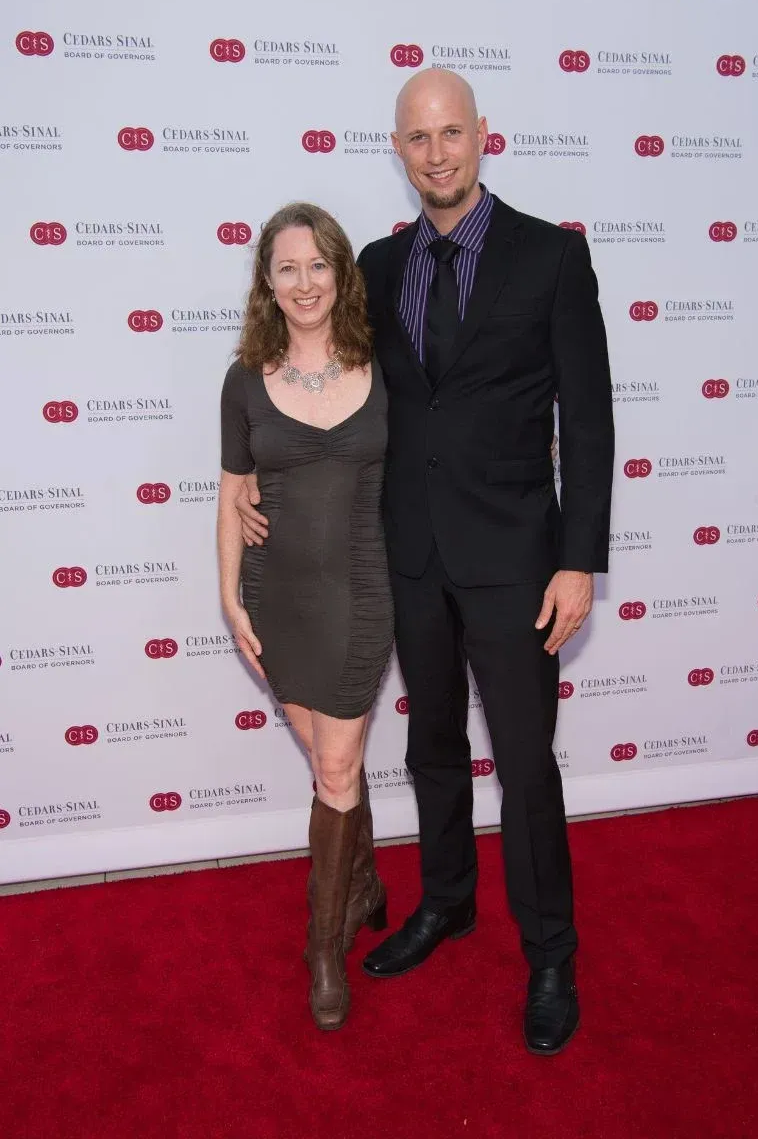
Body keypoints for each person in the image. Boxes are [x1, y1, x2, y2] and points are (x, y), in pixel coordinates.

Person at [235, 70, 614, 1055]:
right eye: (416, 138)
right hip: (405, 555)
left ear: (482, 136)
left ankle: (548, 950)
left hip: (516, 559)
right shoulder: (373, 260)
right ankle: (446, 901)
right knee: (432, 747)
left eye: (450, 133)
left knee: (524, 765)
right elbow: (333, 391)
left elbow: (591, 415)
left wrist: (578, 562)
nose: (435, 153)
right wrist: (249, 476)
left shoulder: (550, 259)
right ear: (396, 150)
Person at [217, 203, 393, 1032]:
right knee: (336, 768)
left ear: (340, 273)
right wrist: (228, 596)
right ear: (267, 283)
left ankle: (324, 949)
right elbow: (229, 492)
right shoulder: (245, 378)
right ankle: (360, 879)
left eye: (317, 264)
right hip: (276, 598)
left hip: (362, 592)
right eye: (286, 267)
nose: (303, 282)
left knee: (334, 767)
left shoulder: (381, 360)